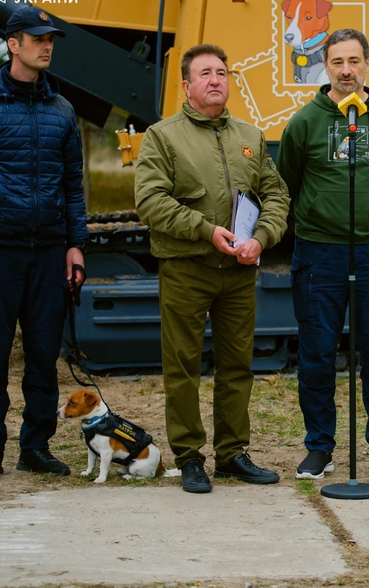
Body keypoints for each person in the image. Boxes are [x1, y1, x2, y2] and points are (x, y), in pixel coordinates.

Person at [134, 43, 290, 493]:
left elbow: (276, 196)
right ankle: (188, 458)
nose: (216, 80)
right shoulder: (163, 136)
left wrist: (261, 238)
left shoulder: (251, 136)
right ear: (186, 86)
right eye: (205, 73)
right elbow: (150, 201)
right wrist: (206, 231)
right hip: (187, 267)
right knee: (182, 366)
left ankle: (232, 454)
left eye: (222, 72)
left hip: (239, 272)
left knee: (237, 365)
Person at [0, 5, 88, 481]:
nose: (47, 46)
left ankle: (36, 447)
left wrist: (75, 244)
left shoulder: (62, 110)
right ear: (12, 43)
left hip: (49, 254)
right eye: (37, 38)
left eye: (51, 39)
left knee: (44, 358)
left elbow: (72, 185)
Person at [276, 29, 369, 480]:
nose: (346, 71)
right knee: (317, 354)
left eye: (354, 61)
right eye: (337, 62)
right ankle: (320, 448)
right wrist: (321, 216)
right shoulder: (304, 122)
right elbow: (288, 183)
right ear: (325, 67)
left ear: (367, 64)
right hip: (320, 255)